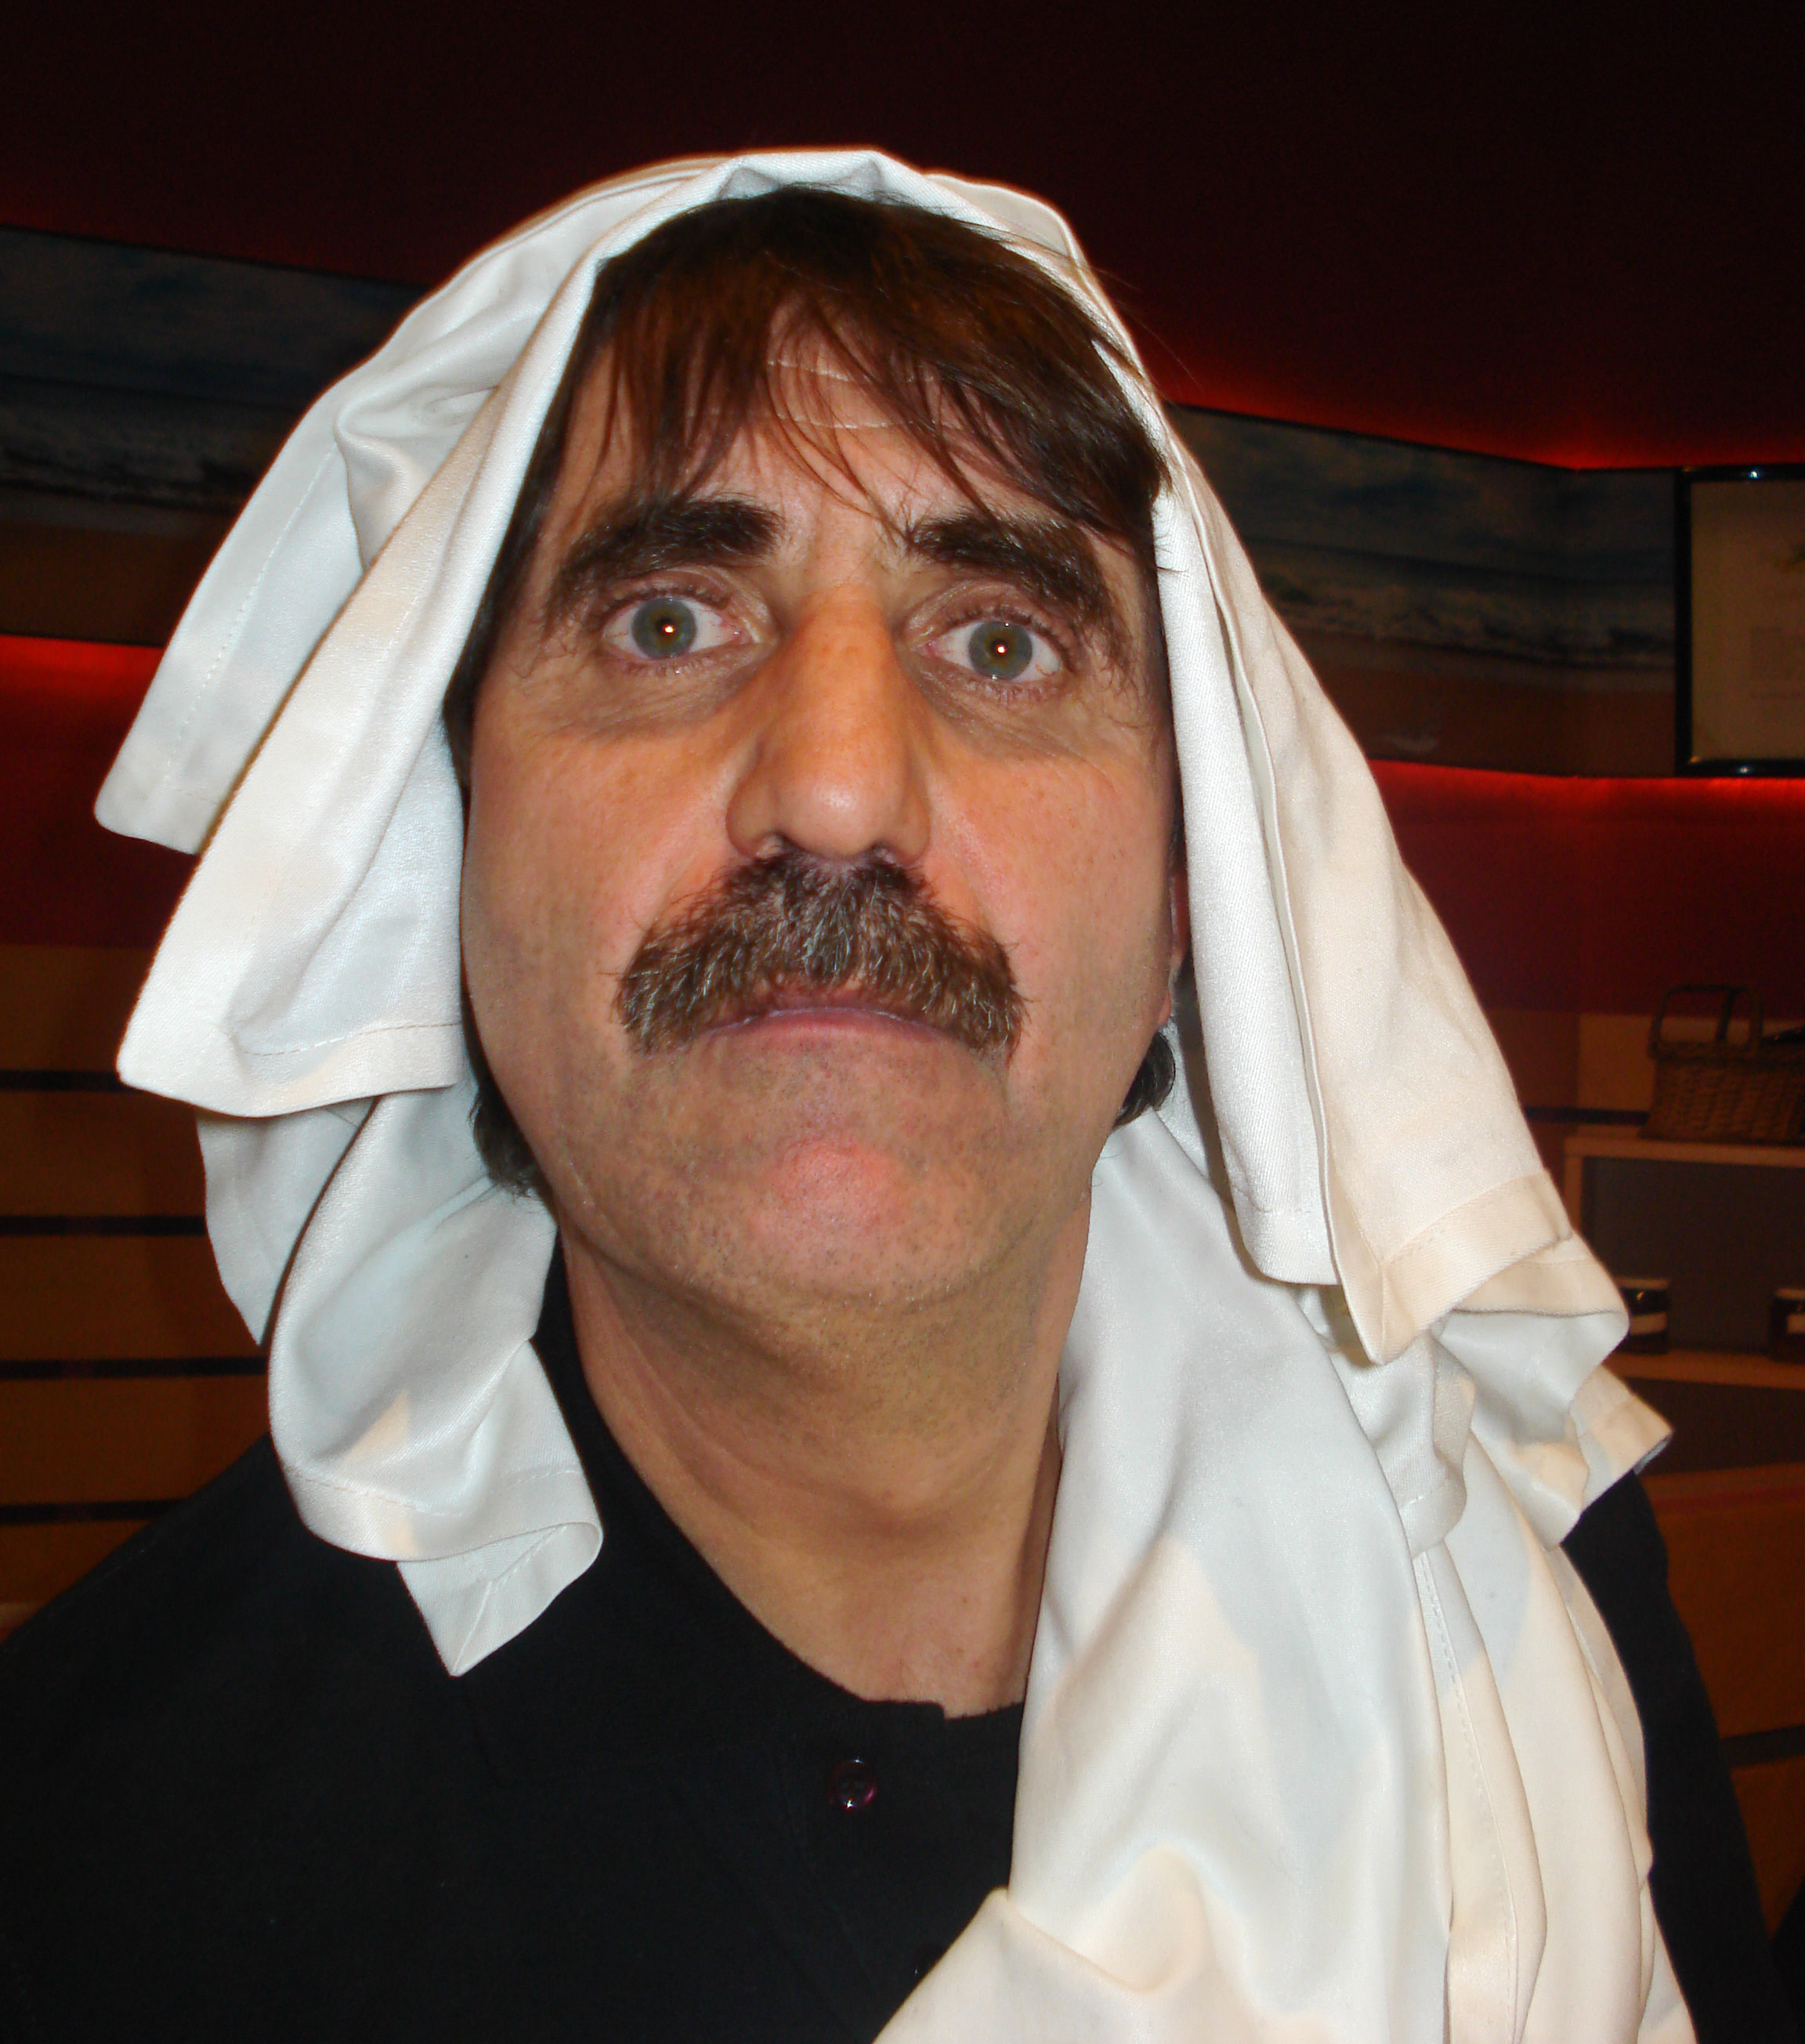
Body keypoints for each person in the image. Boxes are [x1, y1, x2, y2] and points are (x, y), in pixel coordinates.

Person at [0, 151, 1785, 2042]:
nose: (840, 787)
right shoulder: (102, 1866)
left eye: (1000, 643)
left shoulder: (1521, 1582)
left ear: (1195, 909)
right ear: (439, 850)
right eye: (669, 622)